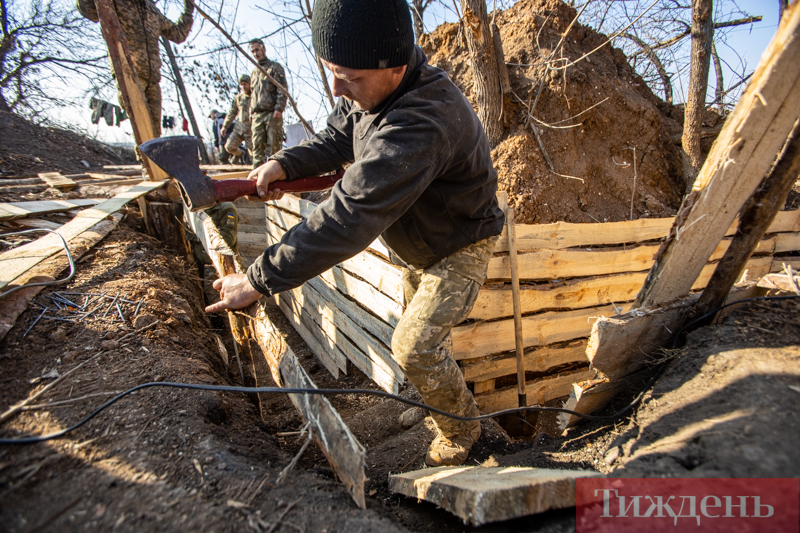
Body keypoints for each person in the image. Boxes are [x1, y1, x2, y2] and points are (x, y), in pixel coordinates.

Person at [206, 0, 504, 467]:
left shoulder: (422, 121)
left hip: (459, 245)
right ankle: (430, 403)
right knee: (420, 340)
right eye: (331, 70)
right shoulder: (373, 90)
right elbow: (335, 138)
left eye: (348, 76)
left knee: (414, 343)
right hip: (420, 244)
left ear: (395, 66)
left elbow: (347, 218)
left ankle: (463, 432)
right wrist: (286, 163)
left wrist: (258, 278)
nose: (336, 87)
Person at [77, 0, 193, 138]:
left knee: (154, 136)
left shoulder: (152, 10)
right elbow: (88, 10)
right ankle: (145, 157)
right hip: (129, 75)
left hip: (153, 80)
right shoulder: (114, 3)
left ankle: (151, 159)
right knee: (142, 130)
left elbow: (178, 34)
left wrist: (188, 10)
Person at [247, 39, 287, 168]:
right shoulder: (254, 72)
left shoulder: (274, 67)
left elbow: (282, 88)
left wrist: (279, 108)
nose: (255, 53)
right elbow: (252, 95)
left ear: (263, 49)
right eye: (252, 51)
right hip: (257, 115)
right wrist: (250, 113)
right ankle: (257, 182)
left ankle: (276, 179)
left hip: (272, 114)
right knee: (257, 151)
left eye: (257, 50)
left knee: (275, 149)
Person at [222, 74, 253, 164]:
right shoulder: (238, 98)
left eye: (245, 84)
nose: (243, 86)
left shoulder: (255, 97)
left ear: (250, 84)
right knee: (229, 147)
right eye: (241, 84)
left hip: (250, 130)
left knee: (254, 156)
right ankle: (239, 154)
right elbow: (232, 112)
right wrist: (225, 126)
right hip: (239, 128)